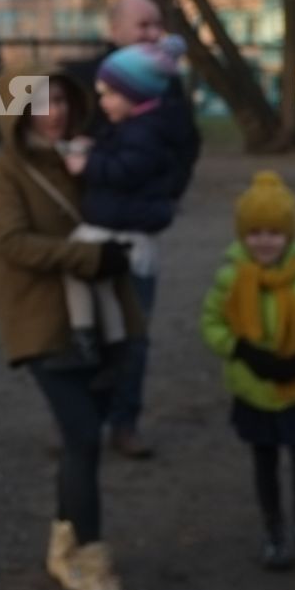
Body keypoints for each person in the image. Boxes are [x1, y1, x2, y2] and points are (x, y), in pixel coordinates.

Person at [0, 70, 144, 590]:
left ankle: (63, 545)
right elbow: (15, 243)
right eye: (41, 101)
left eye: (61, 100)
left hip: (105, 320)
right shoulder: (7, 172)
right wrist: (91, 257)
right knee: (83, 438)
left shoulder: (88, 159)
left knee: (84, 439)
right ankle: (95, 570)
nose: (55, 111)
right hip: (44, 323)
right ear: (19, 112)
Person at [63, 0, 201, 459]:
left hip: (135, 229)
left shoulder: (163, 86)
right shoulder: (86, 81)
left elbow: (183, 148)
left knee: (133, 333)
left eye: (156, 25)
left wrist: (163, 198)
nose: (152, 33)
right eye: (142, 25)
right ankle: (78, 422)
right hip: (89, 222)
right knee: (80, 333)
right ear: (114, 29)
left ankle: (125, 421)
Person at [199, 171, 295, 572]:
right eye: (255, 232)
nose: (264, 241)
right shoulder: (230, 279)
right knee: (263, 461)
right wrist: (240, 350)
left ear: (289, 235)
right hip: (253, 388)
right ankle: (273, 529)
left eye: (274, 232)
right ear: (242, 235)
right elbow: (213, 322)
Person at [60, 36, 191, 361]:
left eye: (110, 95)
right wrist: (93, 147)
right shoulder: (141, 126)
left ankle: (85, 332)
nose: (102, 102)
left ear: (135, 95)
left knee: (75, 265)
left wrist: (88, 164)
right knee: (102, 284)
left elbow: (127, 169)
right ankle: (110, 341)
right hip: (123, 222)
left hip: (118, 226)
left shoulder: (144, 132)